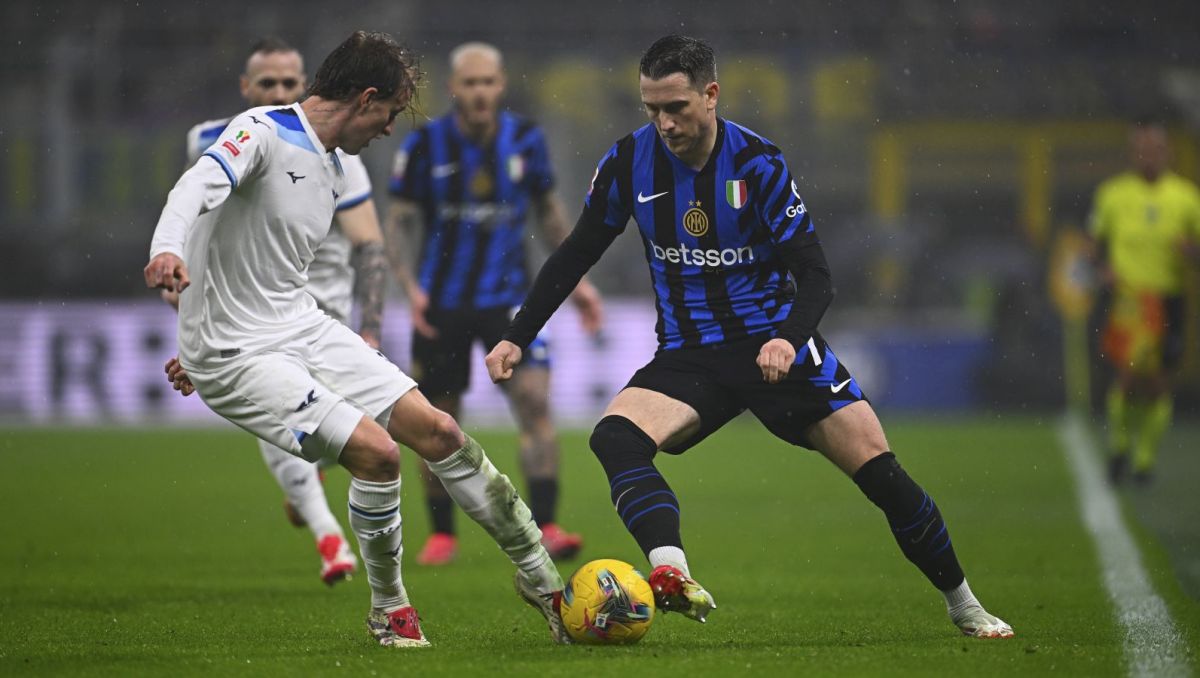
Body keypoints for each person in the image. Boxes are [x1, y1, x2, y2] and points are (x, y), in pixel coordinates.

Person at [486, 34, 1013, 638]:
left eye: (676, 107)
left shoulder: (758, 163)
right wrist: (518, 335)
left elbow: (815, 275)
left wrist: (789, 337)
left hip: (776, 350)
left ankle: (964, 603)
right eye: (652, 109)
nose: (664, 123)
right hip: (691, 355)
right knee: (615, 437)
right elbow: (575, 252)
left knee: (882, 476)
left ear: (711, 95)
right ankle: (669, 572)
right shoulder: (629, 162)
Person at [145, 31, 568, 649]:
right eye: (391, 113)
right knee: (378, 453)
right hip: (236, 353)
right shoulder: (261, 131)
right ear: (366, 99)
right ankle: (389, 609)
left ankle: (543, 580)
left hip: (300, 324)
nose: (391, 129)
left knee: (441, 431)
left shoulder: (341, 166)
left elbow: (258, 265)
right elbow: (194, 192)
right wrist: (166, 253)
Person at [176, 36, 389, 588]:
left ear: (309, 87)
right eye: (265, 84)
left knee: (344, 442)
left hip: (323, 314)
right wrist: (194, 318)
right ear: (246, 89)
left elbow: (369, 244)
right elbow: (200, 229)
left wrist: (369, 327)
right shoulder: (217, 141)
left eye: (288, 83)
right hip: (250, 318)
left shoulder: (342, 152)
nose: (278, 92)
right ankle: (329, 538)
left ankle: (306, 487)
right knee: (292, 420)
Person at [387, 42, 601, 565]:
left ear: (500, 84)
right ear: (454, 88)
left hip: (511, 302)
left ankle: (547, 524)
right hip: (443, 304)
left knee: (534, 404)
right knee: (438, 418)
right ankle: (443, 533)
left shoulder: (525, 140)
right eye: (470, 82)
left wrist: (582, 285)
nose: (480, 91)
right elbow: (397, 222)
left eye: (488, 82)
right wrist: (409, 288)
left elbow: (551, 215)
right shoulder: (425, 145)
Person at [1090, 117, 1200, 485]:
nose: (1148, 155)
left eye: (1155, 149)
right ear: (1132, 153)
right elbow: (1094, 246)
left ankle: (1144, 457)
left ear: (1166, 152)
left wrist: (1191, 252)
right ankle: (1121, 446)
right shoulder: (1112, 194)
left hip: (1167, 300)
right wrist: (1103, 268)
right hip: (1128, 300)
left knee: (1157, 384)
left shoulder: (1186, 197)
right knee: (1125, 378)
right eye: (1141, 149)